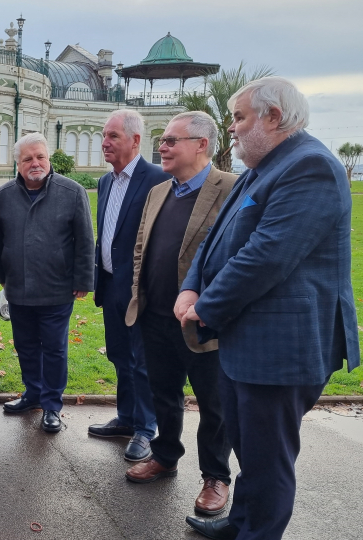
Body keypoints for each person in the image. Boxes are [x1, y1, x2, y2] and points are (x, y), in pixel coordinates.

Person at [177, 77, 360, 540]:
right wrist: (192, 287)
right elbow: (215, 238)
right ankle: (242, 525)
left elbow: (267, 256)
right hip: (249, 342)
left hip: (283, 349)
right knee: (248, 449)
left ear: (274, 117)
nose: (231, 128)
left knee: (268, 457)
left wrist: (205, 309)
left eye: (239, 117)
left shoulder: (310, 166)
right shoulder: (264, 167)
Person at [123, 111, 236, 516]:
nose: (162, 147)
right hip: (155, 315)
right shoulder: (160, 189)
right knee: (163, 393)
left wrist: (210, 304)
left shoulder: (232, 189)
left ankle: (215, 477)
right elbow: (142, 245)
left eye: (172, 140)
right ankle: (165, 455)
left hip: (204, 319)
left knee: (214, 403)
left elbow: (241, 256)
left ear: (202, 145)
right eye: (163, 141)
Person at [0, 133, 94, 433]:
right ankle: (32, 394)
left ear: (48, 158)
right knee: (25, 346)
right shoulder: (5, 194)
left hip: (57, 288)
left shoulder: (72, 192)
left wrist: (83, 279)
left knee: (53, 348)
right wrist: (4, 277)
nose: (35, 163)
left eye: (40, 157)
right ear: (17, 163)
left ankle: (51, 405)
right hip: (19, 288)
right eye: (27, 159)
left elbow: (86, 241)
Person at [89, 110, 170, 461]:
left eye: (113, 136)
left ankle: (144, 428)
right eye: (104, 136)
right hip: (110, 285)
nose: (105, 143)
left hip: (141, 291)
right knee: (120, 356)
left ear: (136, 141)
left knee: (142, 361)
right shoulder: (107, 181)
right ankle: (126, 417)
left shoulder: (158, 179)